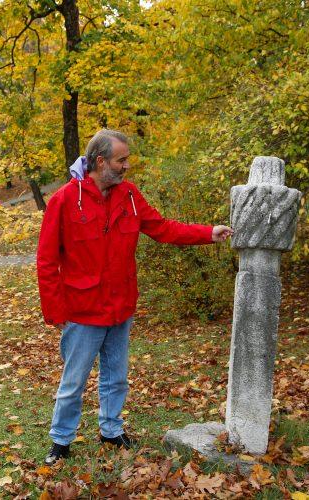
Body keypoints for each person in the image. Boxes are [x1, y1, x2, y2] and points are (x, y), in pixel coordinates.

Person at [36, 129, 233, 465]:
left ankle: (111, 431)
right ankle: (61, 441)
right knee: (73, 382)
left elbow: (163, 228)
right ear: (101, 162)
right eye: (121, 160)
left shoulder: (128, 195)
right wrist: (55, 312)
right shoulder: (64, 200)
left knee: (117, 377)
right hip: (82, 312)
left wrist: (207, 233)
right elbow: (46, 260)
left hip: (120, 307)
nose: (126, 166)